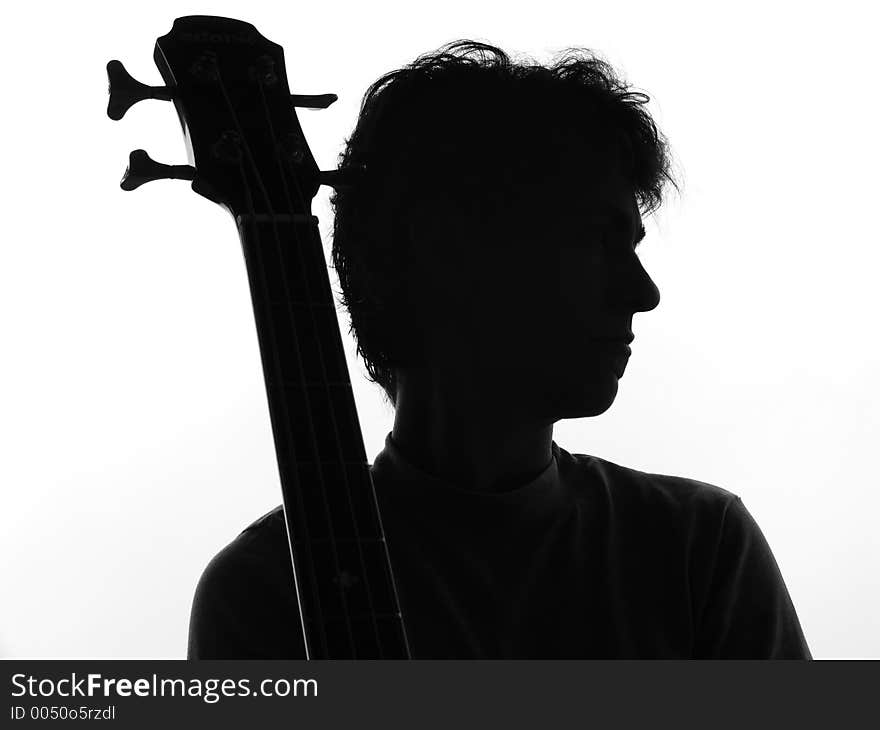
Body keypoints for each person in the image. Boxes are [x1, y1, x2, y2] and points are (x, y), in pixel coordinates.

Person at [187, 40, 812, 659]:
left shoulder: (701, 549)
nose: (643, 292)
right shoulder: (262, 594)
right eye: (599, 240)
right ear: (452, 252)